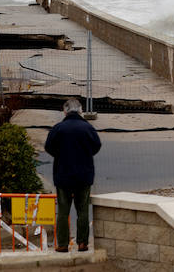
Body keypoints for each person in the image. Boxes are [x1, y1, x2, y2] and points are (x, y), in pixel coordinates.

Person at [44, 98, 101, 252]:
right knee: (83, 210)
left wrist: (60, 155)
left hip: (63, 175)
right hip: (84, 175)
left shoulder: (58, 128)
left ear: (65, 111)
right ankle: (82, 243)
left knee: (63, 211)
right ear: (80, 110)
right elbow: (96, 146)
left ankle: (62, 244)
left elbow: (48, 147)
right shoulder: (87, 127)